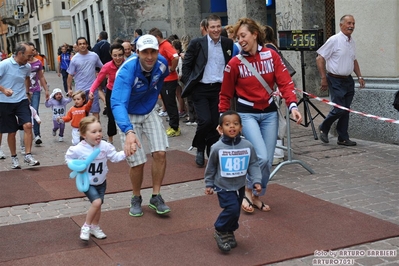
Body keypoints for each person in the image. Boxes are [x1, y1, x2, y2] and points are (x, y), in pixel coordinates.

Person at [219, 18, 303, 213]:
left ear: (255, 34)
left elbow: (285, 83)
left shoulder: (271, 56)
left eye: (243, 36)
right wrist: (223, 119)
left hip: (269, 113)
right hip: (247, 114)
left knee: (267, 160)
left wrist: (293, 106)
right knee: (262, 157)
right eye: (237, 37)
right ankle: (248, 190)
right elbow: (225, 94)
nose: (240, 40)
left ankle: (256, 195)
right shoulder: (234, 63)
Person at [111, 34, 170, 217]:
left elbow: (161, 79)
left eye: (153, 51)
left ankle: (156, 196)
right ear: (137, 52)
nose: (150, 56)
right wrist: (128, 131)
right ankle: (136, 197)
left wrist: (152, 98)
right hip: (128, 113)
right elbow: (117, 103)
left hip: (149, 110)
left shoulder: (162, 63)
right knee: (137, 161)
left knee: (160, 152)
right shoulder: (127, 70)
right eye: (145, 52)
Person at [204, 110, 262, 252]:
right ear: (220, 128)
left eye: (236, 124)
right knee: (232, 208)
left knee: (235, 212)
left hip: (240, 185)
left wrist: (256, 180)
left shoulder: (247, 145)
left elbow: (253, 164)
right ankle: (220, 229)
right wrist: (209, 184)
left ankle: (228, 231)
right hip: (223, 185)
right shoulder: (217, 147)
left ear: (241, 128)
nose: (232, 127)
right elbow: (211, 167)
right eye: (227, 124)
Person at [181, 14, 234, 167]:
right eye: (213, 27)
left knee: (215, 123)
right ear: (206, 28)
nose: (216, 29)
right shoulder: (197, 43)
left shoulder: (227, 43)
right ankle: (200, 146)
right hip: (201, 89)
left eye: (218, 26)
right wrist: (189, 82)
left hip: (219, 89)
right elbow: (187, 65)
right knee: (205, 121)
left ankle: (211, 152)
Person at [65, 116, 126, 241]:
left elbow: (115, 157)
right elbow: (68, 158)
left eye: (100, 131)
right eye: (93, 132)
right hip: (88, 182)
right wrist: (77, 167)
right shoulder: (78, 148)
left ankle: (95, 226)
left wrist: (126, 152)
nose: (98, 134)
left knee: (98, 205)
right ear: (83, 134)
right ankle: (86, 226)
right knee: (96, 202)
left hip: (102, 181)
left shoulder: (105, 146)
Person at [316, 14, 366, 146]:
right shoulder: (334, 40)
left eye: (353, 23)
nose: (351, 26)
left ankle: (343, 137)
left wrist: (359, 76)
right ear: (341, 25)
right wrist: (323, 78)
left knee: (346, 109)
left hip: (348, 80)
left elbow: (353, 60)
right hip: (335, 79)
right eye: (349, 23)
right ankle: (323, 127)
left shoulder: (352, 42)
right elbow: (319, 58)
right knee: (339, 109)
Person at [0, 41, 40, 169]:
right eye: (28, 56)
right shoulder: (4, 64)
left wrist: (27, 93)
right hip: (5, 102)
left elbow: (27, 78)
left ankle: (28, 155)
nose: (30, 58)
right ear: (19, 54)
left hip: (21, 100)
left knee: (28, 125)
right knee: (12, 132)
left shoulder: (27, 66)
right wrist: (4, 90)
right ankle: (14, 157)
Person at [89, 43, 125, 144]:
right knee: (111, 116)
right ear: (111, 55)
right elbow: (98, 80)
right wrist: (91, 91)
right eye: (115, 55)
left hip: (125, 92)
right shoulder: (107, 66)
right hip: (112, 92)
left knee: (128, 114)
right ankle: (110, 139)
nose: (118, 58)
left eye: (120, 55)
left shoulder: (128, 65)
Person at [149, 27, 181, 137]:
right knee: (167, 103)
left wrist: (172, 68)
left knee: (170, 103)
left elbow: (175, 57)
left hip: (170, 79)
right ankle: (173, 125)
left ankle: (175, 127)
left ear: (157, 37)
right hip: (164, 79)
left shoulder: (166, 45)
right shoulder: (160, 46)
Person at [263, 25, 285, 166]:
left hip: (273, 91)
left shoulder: (269, 49)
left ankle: (278, 153)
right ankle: (275, 151)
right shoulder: (273, 47)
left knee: (276, 123)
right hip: (274, 91)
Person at [67, 37, 103, 120]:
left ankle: (96, 130)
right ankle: (84, 131)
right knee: (82, 113)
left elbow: (103, 67)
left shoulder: (94, 56)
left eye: (84, 43)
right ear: (77, 46)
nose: (82, 45)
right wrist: (69, 88)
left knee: (95, 111)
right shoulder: (74, 59)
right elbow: (70, 75)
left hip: (92, 89)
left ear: (87, 45)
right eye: (80, 44)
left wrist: (100, 77)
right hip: (80, 90)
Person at [27, 42, 50, 146]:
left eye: (33, 50)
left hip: (35, 89)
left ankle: (37, 135)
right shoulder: (23, 62)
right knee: (25, 112)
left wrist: (46, 90)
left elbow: (41, 77)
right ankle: (27, 135)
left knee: (35, 110)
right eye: (30, 50)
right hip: (24, 91)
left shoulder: (38, 62)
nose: (32, 52)